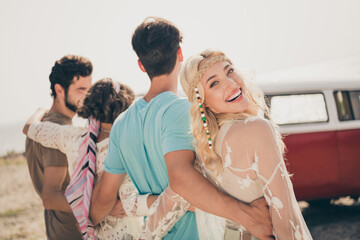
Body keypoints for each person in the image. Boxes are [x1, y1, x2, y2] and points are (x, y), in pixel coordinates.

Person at [90, 17, 273, 240]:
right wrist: (248, 216)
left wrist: (85, 222)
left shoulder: (121, 124)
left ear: (141, 65)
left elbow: (103, 199)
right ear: (179, 54)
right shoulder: (183, 110)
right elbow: (181, 177)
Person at [177, 49, 313, 239]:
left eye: (229, 71)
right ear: (203, 101)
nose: (231, 84)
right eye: (214, 83)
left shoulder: (204, 144)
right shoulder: (257, 129)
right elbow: (285, 220)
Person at [23, 78, 154, 239]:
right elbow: (130, 204)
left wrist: (40, 110)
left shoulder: (72, 138)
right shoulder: (126, 146)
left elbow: (29, 127)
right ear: (125, 109)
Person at [24, 55, 92, 240]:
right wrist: (95, 210)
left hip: (59, 230)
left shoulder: (41, 126)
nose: (87, 96)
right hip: (71, 231)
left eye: (89, 89)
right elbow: (51, 196)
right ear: (59, 90)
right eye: (81, 90)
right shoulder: (55, 131)